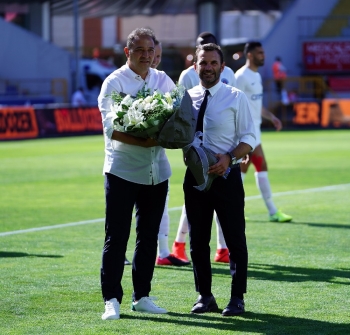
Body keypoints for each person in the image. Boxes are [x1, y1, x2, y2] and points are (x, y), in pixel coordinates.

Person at [98, 27, 175, 320]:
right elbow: (112, 129)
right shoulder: (114, 82)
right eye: (140, 50)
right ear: (128, 53)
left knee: (149, 237)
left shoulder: (162, 79)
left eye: (150, 50)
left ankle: (141, 296)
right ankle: (111, 300)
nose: (146, 55)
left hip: (158, 171)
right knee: (116, 237)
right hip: (122, 171)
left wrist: (168, 136)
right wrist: (148, 140)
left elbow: (178, 116)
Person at [184, 43, 256, 316]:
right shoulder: (185, 98)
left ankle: (237, 298)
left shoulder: (235, 96)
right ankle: (205, 296)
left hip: (227, 177)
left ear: (222, 67)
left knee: (235, 239)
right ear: (195, 67)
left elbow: (249, 138)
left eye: (214, 63)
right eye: (203, 63)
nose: (208, 68)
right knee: (198, 241)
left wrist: (229, 157)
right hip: (193, 178)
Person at [173, 31, 236, 264]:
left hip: (224, 151)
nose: (208, 66)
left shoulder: (228, 74)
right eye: (202, 55)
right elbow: (179, 109)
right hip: (197, 150)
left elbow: (236, 107)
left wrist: (240, 150)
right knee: (196, 199)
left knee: (223, 202)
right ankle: (179, 244)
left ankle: (223, 249)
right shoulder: (186, 76)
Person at [235, 42, 292, 223]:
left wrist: (271, 117)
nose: (263, 56)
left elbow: (256, 106)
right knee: (260, 166)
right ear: (250, 55)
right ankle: (272, 211)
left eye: (263, 52)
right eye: (259, 53)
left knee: (241, 171)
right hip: (245, 134)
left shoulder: (257, 76)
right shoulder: (241, 76)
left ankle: (231, 209)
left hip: (255, 132)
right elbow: (233, 103)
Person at [152, 39, 190, 266]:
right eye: (150, 53)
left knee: (162, 204)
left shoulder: (163, 79)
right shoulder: (121, 80)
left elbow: (179, 110)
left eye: (157, 55)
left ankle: (164, 252)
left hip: (157, 156)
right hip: (127, 161)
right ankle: (121, 251)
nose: (154, 59)